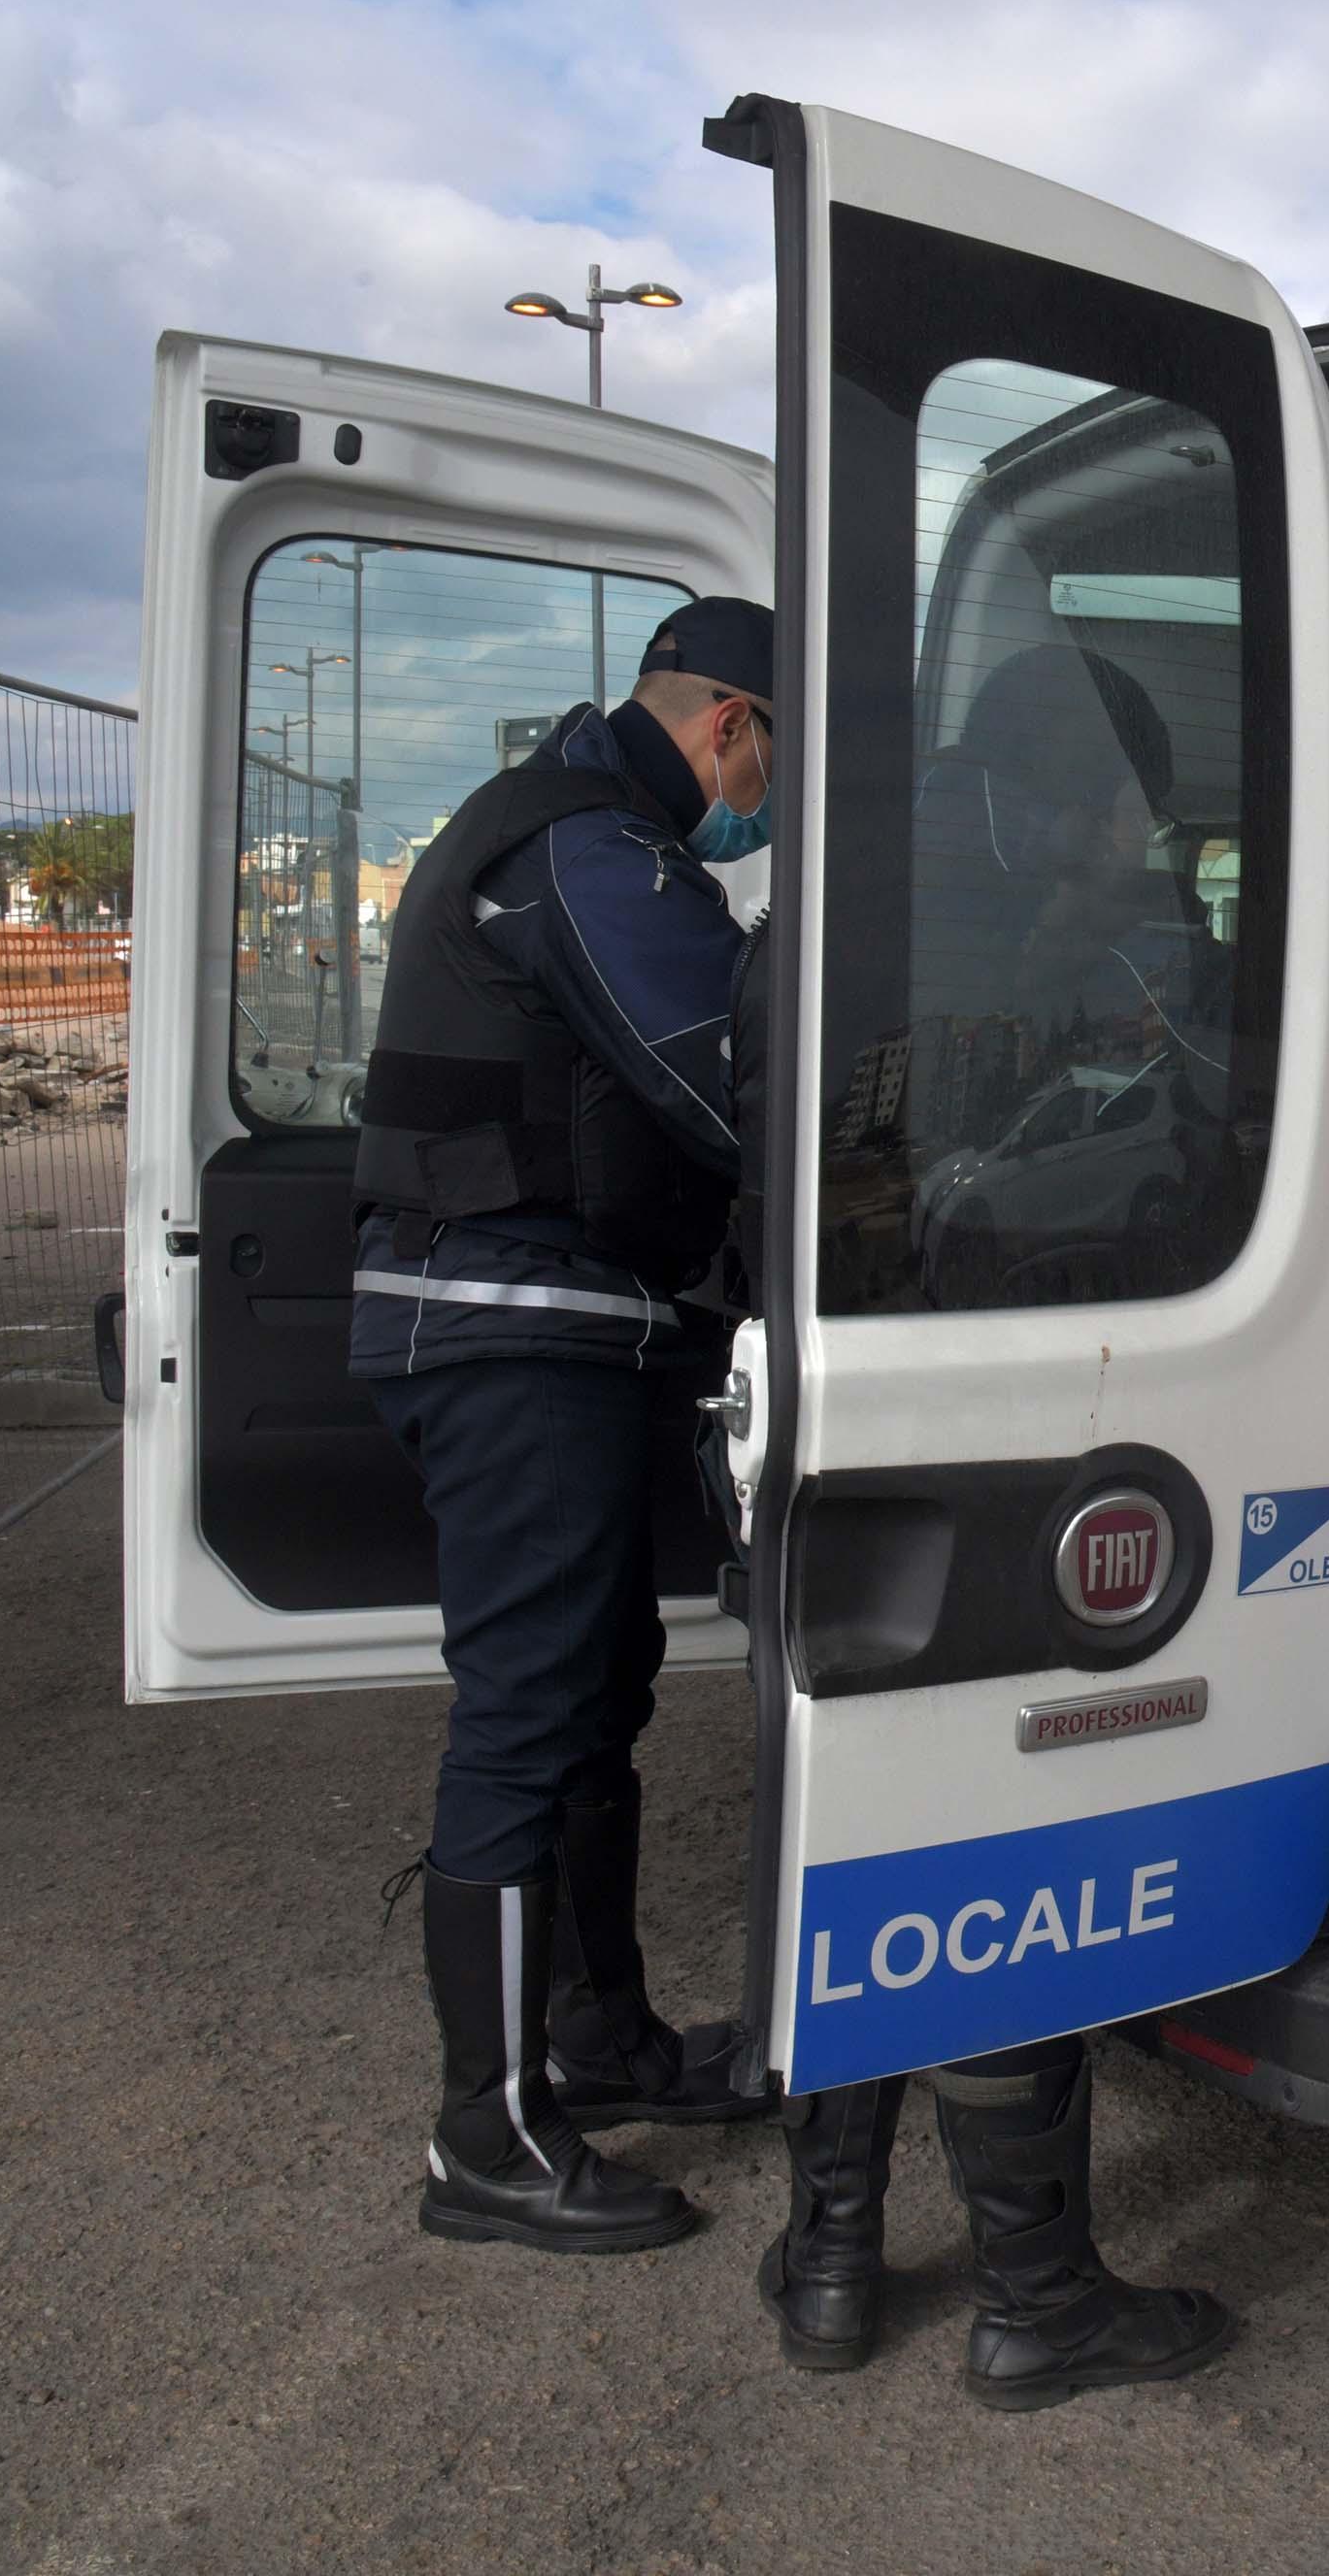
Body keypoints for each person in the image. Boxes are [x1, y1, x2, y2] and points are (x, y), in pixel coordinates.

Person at [758, 644, 1239, 2409]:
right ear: (1051, 810)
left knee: (847, 1840)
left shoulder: (840, 911)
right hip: (996, 1413)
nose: (1159, 837)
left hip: (830, 1414)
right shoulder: (1062, 951)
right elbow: (1172, 1158)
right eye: (1135, 804)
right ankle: (1034, 2294)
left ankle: (826, 2258)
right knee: (994, 1875)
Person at [352, 598, 782, 2254]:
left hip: (550, 1329)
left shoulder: (569, 822)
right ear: (732, 724)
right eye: (771, 761)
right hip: (508, 1334)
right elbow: (721, 1073)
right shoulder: (596, 851)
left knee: (592, 1700)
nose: (762, 799)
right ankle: (490, 2142)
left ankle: (600, 2044)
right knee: (530, 1722)